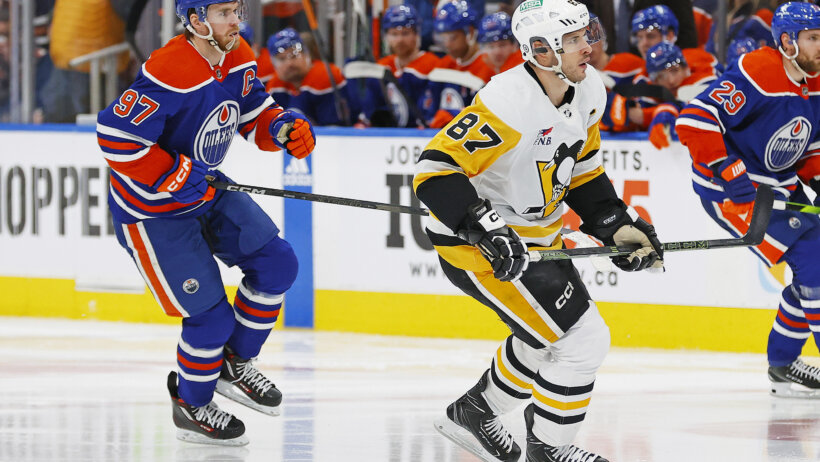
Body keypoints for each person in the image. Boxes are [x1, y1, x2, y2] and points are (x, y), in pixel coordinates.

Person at [414, 1, 664, 461]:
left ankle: (475, 411)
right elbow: (434, 171)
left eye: (586, 36)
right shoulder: (506, 102)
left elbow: (583, 171)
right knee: (583, 341)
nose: (588, 47)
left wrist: (614, 225)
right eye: (573, 41)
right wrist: (481, 225)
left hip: (538, 238)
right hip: (481, 248)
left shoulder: (589, 89)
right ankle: (550, 448)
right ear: (542, 51)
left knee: (545, 335)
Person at [96, 0, 316, 445]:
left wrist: (281, 127)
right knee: (210, 319)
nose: (235, 20)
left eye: (237, 9)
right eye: (223, 13)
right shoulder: (170, 68)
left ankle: (234, 364)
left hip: (205, 187)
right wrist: (173, 175)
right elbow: (115, 137)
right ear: (195, 20)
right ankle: (192, 403)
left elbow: (253, 110)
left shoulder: (238, 55)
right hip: (153, 210)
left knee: (278, 264)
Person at [676, 1, 820, 398]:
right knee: (816, 262)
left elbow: (808, 144)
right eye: (813, 38)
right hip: (734, 191)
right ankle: (784, 362)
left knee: (814, 270)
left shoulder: (816, 78)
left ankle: (784, 363)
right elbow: (694, 119)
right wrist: (724, 167)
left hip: (777, 183)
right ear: (787, 42)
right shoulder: (760, 71)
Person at [347, 4, 438, 127]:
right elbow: (370, 109)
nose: (399, 40)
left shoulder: (433, 65)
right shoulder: (382, 67)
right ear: (386, 36)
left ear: (417, 34)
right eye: (394, 34)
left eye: (405, 33)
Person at [424, 0, 495, 128]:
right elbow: (429, 108)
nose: (447, 44)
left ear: (470, 32)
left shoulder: (488, 66)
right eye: (443, 38)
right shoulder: (443, 64)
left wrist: (450, 115)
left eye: (452, 37)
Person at [264, 27, 352, 125]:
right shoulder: (274, 85)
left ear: (307, 54)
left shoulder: (325, 75)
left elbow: (333, 130)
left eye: (294, 55)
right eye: (281, 59)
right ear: (274, 64)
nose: (289, 63)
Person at [644, 42, 716, 149]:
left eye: (674, 71)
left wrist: (669, 108)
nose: (671, 81)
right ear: (654, 82)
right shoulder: (650, 90)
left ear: (686, 68)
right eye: (661, 76)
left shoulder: (704, 79)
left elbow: (701, 108)